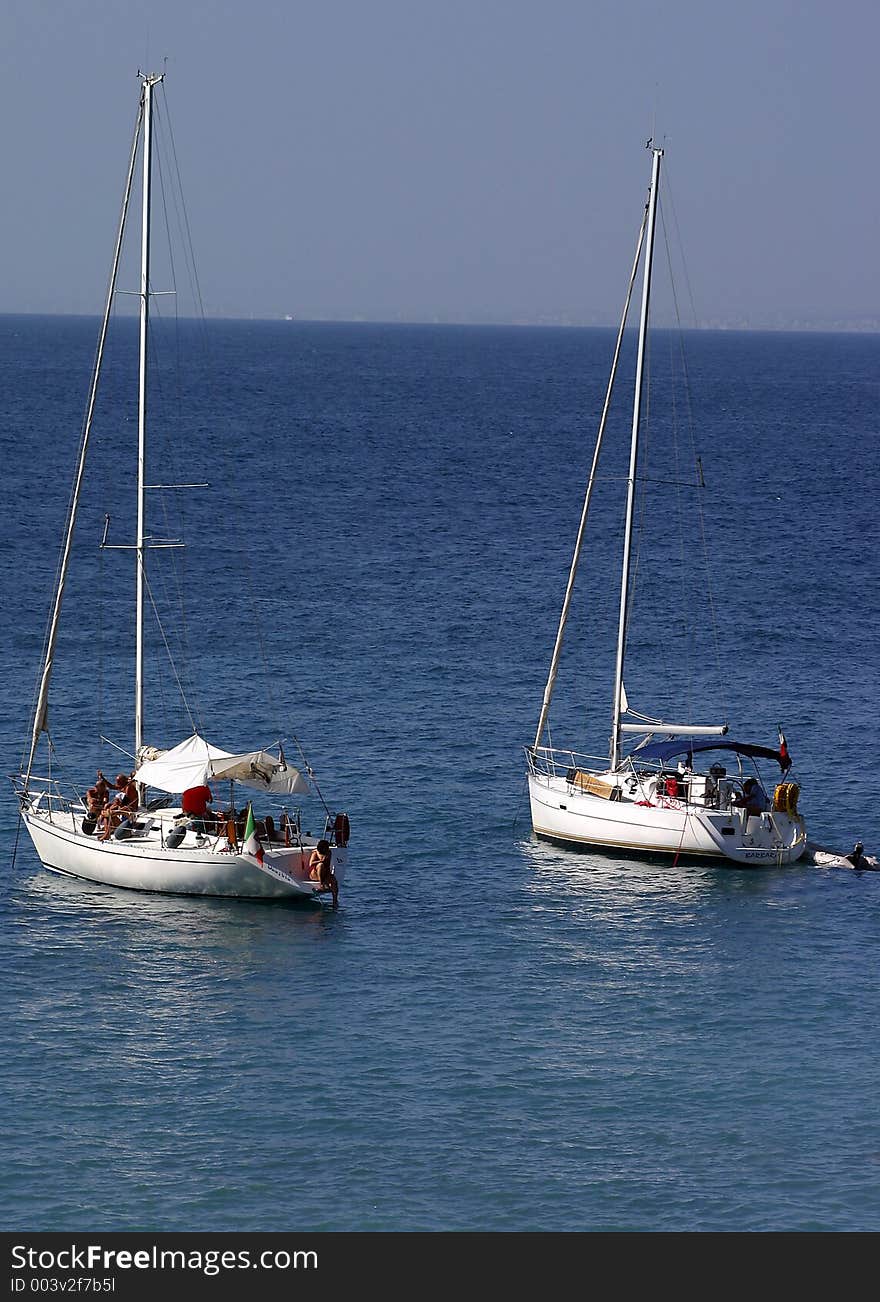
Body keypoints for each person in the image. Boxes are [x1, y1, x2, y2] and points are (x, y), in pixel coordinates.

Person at [308, 838, 339, 907]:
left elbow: (327, 865)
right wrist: (320, 861)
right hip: (315, 874)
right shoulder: (315, 853)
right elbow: (311, 864)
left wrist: (330, 878)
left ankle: (335, 901)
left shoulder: (328, 852)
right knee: (320, 865)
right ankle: (321, 884)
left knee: (334, 881)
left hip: (325, 873)